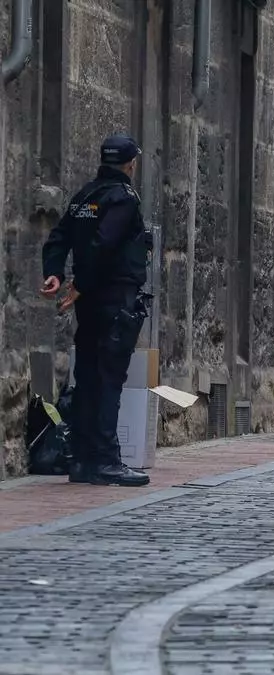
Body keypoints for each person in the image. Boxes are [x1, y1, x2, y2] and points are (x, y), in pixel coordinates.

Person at [40, 133, 152, 487]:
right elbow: (105, 244)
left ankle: (83, 460)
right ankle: (105, 460)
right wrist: (80, 284)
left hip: (89, 302)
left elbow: (59, 237)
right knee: (108, 378)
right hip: (113, 297)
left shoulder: (85, 196)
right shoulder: (124, 198)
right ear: (131, 163)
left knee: (88, 376)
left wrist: (55, 274)